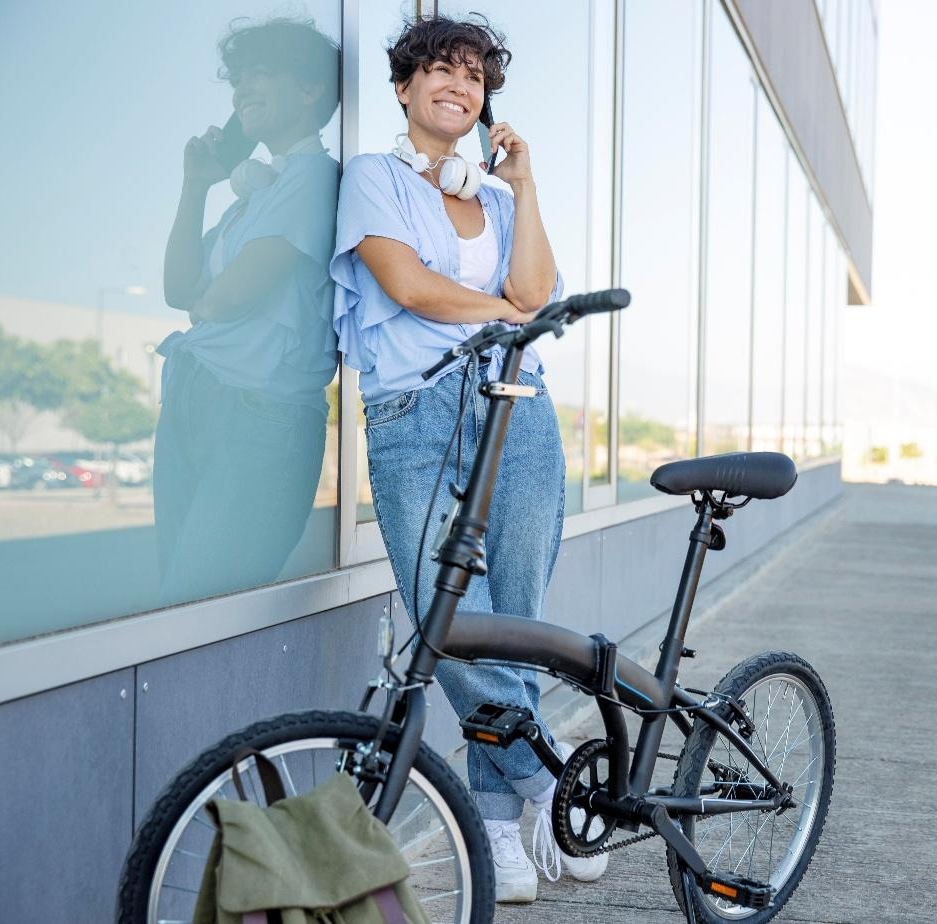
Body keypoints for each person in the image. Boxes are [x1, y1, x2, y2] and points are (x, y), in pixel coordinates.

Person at [330, 14, 607, 903]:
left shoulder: (496, 198)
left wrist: (523, 185)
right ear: (404, 86)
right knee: (446, 619)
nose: (460, 85)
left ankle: (495, 831)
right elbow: (408, 287)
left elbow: (534, 290)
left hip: (516, 412)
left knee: (515, 623)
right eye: (442, 70)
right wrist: (506, 314)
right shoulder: (371, 178)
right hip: (413, 413)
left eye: (476, 77)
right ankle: (546, 778)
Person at [156, 18, 341, 606]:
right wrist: (196, 185)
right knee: (176, 600)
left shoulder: (315, 178)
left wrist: (205, 303)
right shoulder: (258, 193)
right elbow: (179, 289)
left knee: (203, 601)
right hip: (197, 393)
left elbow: (226, 296)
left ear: (310, 89)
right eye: (238, 81)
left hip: (258, 417)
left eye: (259, 74)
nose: (241, 91)